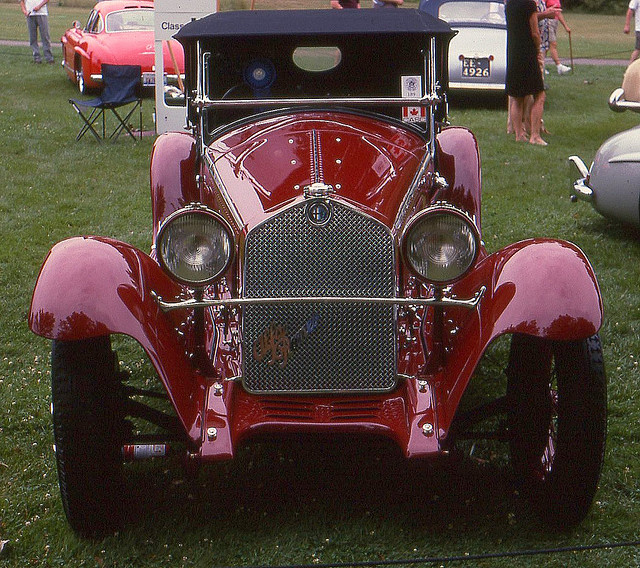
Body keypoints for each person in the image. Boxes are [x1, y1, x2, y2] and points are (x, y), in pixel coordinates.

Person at [505, 0, 558, 145]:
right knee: (539, 94)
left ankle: (519, 134)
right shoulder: (529, 4)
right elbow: (535, 32)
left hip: (513, 52)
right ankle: (535, 135)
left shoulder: (509, 4)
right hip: (527, 53)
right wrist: (537, 49)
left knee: (517, 97)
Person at [20, 0, 53, 64]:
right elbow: (22, 2)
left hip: (42, 13)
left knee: (45, 37)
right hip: (30, 15)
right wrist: (24, 11)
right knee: (33, 38)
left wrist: (39, 6)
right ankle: (37, 58)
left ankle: (49, 58)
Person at [545, 0, 572, 74]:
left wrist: (566, 27)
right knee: (553, 44)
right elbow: (541, 10)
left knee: (546, 46)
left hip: (554, 22)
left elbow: (558, 13)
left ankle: (541, 66)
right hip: (547, 22)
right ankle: (559, 66)